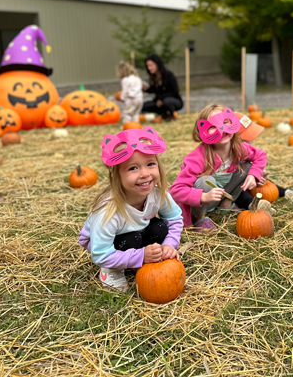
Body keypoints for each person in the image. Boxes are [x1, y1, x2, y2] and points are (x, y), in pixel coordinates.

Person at [78, 127, 183, 292]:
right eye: (133, 168)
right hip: (106, 245)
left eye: (150, 164)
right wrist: (141, 256)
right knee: (132, 239)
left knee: (160, 227)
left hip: (138, 230)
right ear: (117, 176)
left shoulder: (158, 194)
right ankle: (111, 271)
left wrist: (170, 244)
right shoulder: (107, 211)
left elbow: (174, 219)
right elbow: (101, 254)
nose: (144, 174)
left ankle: (136, 258)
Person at [169, 104, 270, 231]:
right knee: (206, 181)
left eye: (225, 122)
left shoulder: (238, 148)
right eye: (212, 126)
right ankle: (199, 216)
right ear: (202, 131)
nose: (222, 129)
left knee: (248, 167)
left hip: (222, 194)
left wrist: (253, 174)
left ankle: (225, 204)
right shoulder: (197, 158)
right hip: (203, 200)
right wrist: (203, 197)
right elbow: (176, 190)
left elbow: (260, 155)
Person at [233, 112, 293, 210]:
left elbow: (257, 160)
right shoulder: (230, 153)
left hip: (249, 180)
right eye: (249, 135)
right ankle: (253, 205)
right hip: (235, 188)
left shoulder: (247, 150)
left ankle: (288, 193)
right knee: (241, 192)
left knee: (266, 183)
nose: (253, 137)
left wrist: (257, 174)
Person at [142, 54, 183, 122]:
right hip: (159, 102)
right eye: (148, 66)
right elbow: (155, 91)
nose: (149, 68)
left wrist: (161, 99)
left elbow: (174, 91)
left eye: (151, 65)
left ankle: (171, 115)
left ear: (157, 64)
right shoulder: (153, 77)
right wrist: (146, 89)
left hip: (174, 100)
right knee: (144, 106)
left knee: (166, 101)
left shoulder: (168, 75)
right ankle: (161, 115)